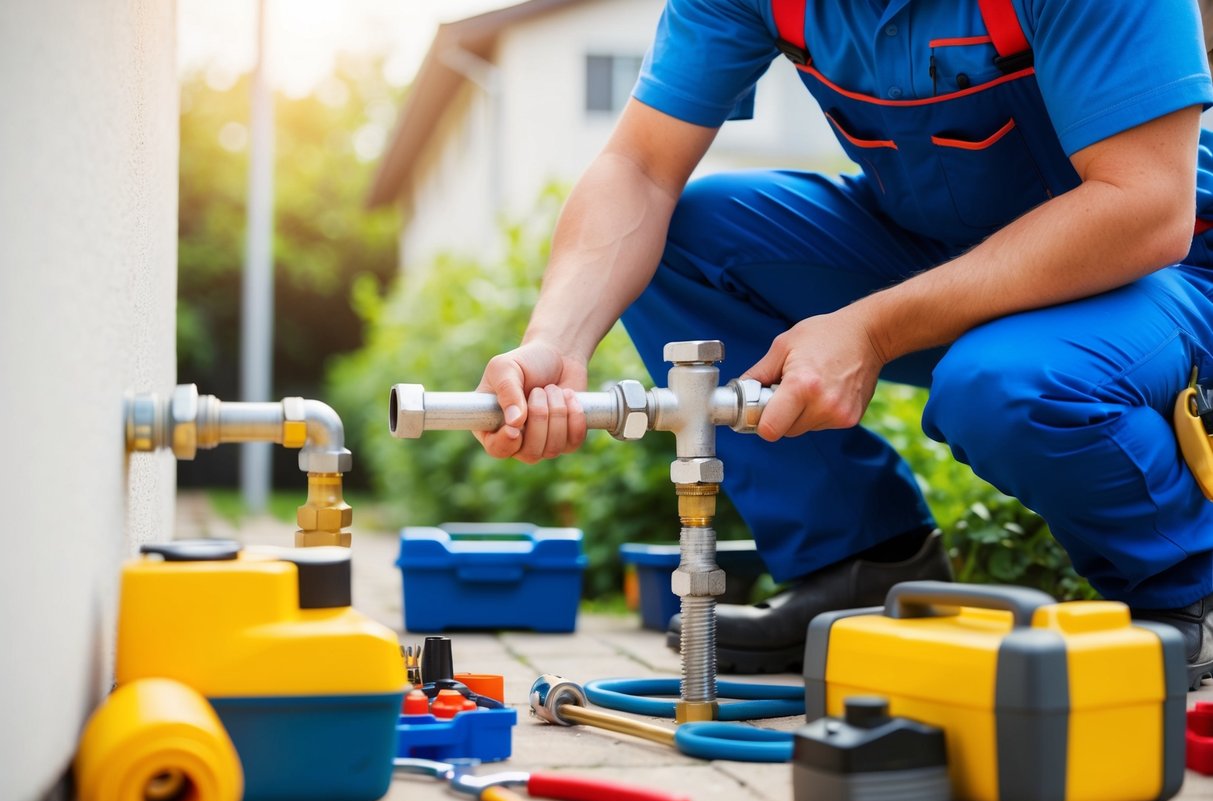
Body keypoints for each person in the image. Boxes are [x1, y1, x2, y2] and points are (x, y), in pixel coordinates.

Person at [473, 0, 1213, 689]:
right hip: (932, 251)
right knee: (685, 240)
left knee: (1003, 384)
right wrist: (556, 342)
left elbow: (1144, 204)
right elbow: (638, 166)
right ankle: (861, 560)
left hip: (1157, 275)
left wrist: (873, 326)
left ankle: (1186, 589)